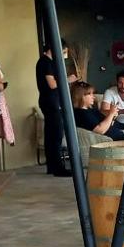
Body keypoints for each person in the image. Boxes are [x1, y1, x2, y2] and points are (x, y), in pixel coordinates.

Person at [37, 41, 78, 176]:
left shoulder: (46, 62)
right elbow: (52, 84)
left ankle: (52, 166)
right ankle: (58, 168)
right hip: (51, 102)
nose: (63, 54)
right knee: (56, 135)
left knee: (51, 135)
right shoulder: (46, 62)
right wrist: (68, 79)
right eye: (63, 51)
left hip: (50, 101)